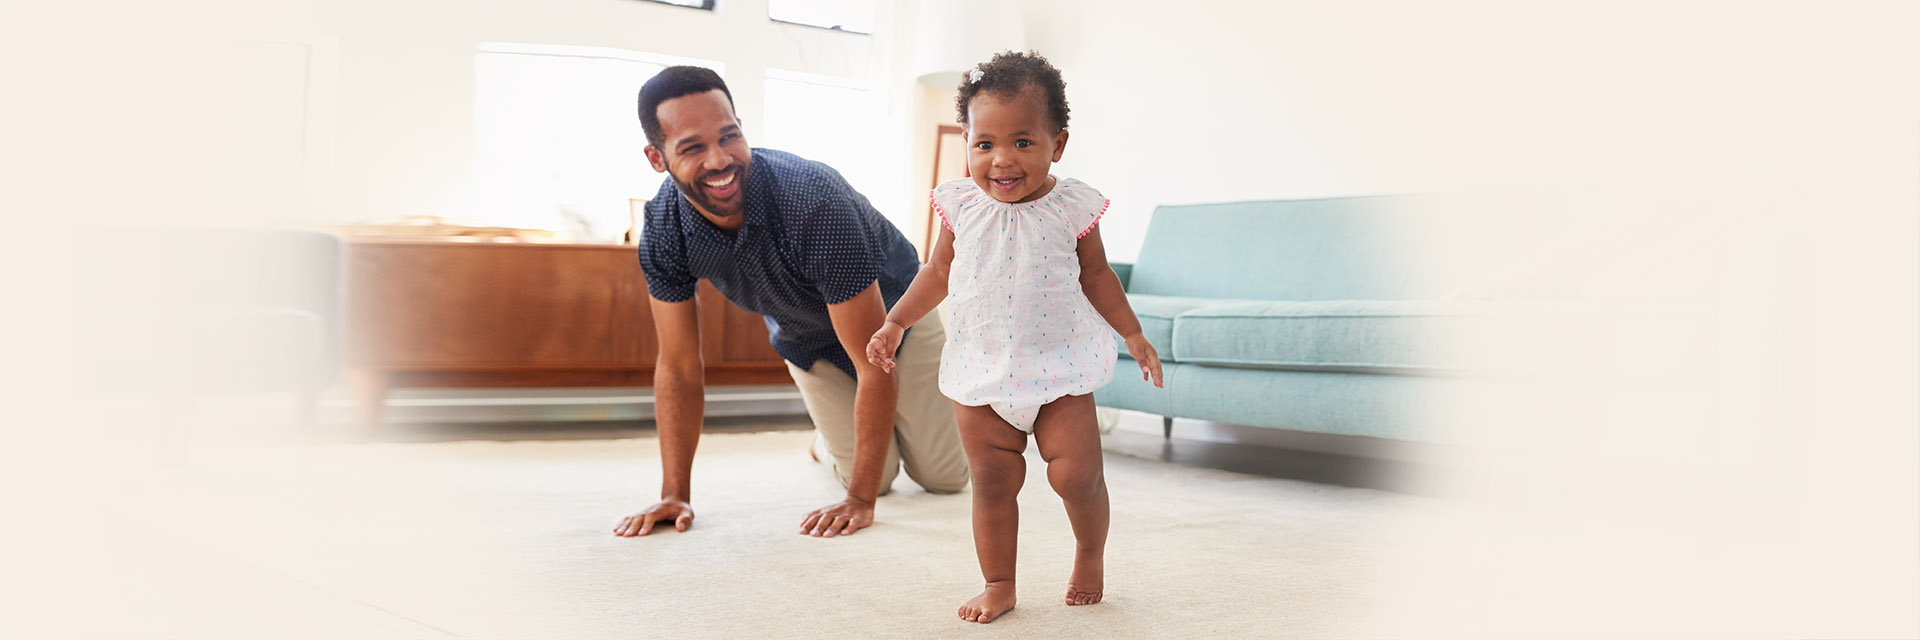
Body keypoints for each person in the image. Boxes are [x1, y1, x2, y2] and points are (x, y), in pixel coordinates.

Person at [865, 51, 1164, 624]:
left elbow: (1099, 276)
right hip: (981, 371)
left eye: (1023, 142)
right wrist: (896, 321)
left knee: (1077, 475)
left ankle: (1090, 551)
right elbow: (937, 275)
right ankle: (999, 583)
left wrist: (1132, 332)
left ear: (1059, 142)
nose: (1002, 159)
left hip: (1060, 369)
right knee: (993, 482)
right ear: (967, 144)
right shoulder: (959, 207)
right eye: (985, 144)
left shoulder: (1073, 206)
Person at [613, 66, 968, 540]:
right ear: (657, 158)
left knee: (943, 478)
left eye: (729, 136)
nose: (719, 160)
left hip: (894, 322)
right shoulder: (663, 229)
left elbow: (872, 358)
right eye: (693, 147)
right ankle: (827, 443)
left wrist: (858, 503)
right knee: (879, 478)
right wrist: (675, 492)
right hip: (806, 339)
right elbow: (677, 366)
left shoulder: (812, 201)